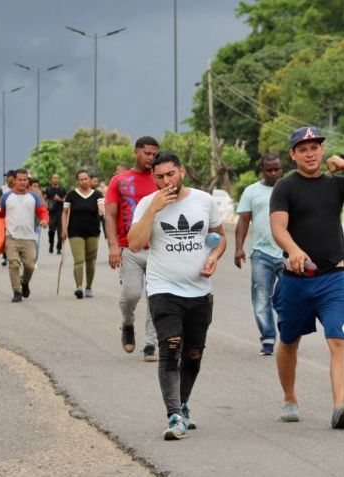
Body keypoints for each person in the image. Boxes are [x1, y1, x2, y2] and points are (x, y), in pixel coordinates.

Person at [269, 126, 344, 429]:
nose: (310, 154)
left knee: (338, 340)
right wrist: (294, 251)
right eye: (303, 149)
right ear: (293, 154)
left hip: (333, 278)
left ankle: (339, 407)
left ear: (322, 151)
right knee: (289, 341)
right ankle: (290, 397)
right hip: (296, 281)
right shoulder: (285, 186)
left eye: (315, 147)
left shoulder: (336, 185)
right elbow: (278, 227)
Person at [128, 152, 226, 440]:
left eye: (170, 174)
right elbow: (135, 244)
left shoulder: (204, 201)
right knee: (170, 349)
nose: (165, 181)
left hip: (199, 291)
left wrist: (214, 257)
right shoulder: (148, 204)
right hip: (163, 290)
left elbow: (219, 237)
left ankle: (183, 404)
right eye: (159, 177)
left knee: (193, 354)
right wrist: (152, 210)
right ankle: (174, 415)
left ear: (181, 171)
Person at [105, 136, 161, 362]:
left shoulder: (161, 179)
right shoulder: (120, 180)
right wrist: (113, 246)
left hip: (159, 249)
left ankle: (150, 344)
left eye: (154, 154)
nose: (151, 158)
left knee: (157, 297)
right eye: (147, 153)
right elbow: (110, 214)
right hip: (131, 249)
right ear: (135, 152)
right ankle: (127, 322)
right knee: (132, 294)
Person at [233, 153, 285, 356]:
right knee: (261, 297)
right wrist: (238, 249)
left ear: (281, 168)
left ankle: (288, 334)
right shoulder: (251, 191)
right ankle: (268, 337)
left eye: (277, 169)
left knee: (288, 297)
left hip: (288, 254)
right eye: (269, 169)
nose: (273, 173)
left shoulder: (290, 187)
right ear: (262, 170)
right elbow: (243, 221)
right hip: (261, 254)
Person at [0, 169, 49, 303]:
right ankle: (16, 291)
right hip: (11, 236)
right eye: (19, 180)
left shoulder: (33, 196)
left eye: (24, 180)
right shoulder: (6, 197)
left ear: (28, 181)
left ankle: (24, 281)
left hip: (29, 237)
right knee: (13, 264)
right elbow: (0, 215)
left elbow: (42, 210)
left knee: (30, 266)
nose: (22, 182)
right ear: (14, 180)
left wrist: (44, 220)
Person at [62, 170, 105, 299]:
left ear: (90, 180)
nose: (84, 181)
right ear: (77, 181)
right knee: (79, 259)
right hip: (75, 231)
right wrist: (64, 229)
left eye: (86, 179)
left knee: (91, 260)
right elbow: (64, 213)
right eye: (81, 179)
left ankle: (89, 287)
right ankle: (79, 287)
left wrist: (103, 211)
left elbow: (101, 206)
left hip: (92, 231)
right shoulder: (71, 195)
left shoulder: (97, 194)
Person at [44, 173, 67, 254]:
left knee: (60, 231)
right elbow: (44, 199)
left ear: (59, 179)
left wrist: (60, 199)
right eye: (54, 178)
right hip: (51, 213)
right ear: (51, 179)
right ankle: (51, 244)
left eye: (57, 178)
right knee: (51, 231)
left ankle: (59, 248)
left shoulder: (62, 189)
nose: (55, 179)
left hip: (60, 213)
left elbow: (66, 200)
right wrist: (46, 203)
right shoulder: (48, 189)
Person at [0, 170, 16, 266]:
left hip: (17, 216)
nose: (7, 178)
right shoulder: (3, 188)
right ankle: (4, 256)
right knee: (6, 237)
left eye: (8, 176)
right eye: (6, 176)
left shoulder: (18, 188)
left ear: (13, 177)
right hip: (5, 216)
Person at [29, 177, 44, 263]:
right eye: (34, 186)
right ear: (30, 187)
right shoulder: (27, 195)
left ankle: (34, 260)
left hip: (37, 223)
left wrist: (41, 196)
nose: (36, 189)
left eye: (37, 187)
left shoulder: (39, 196)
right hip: (27, 225)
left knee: (37, 243)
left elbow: (45, 207)